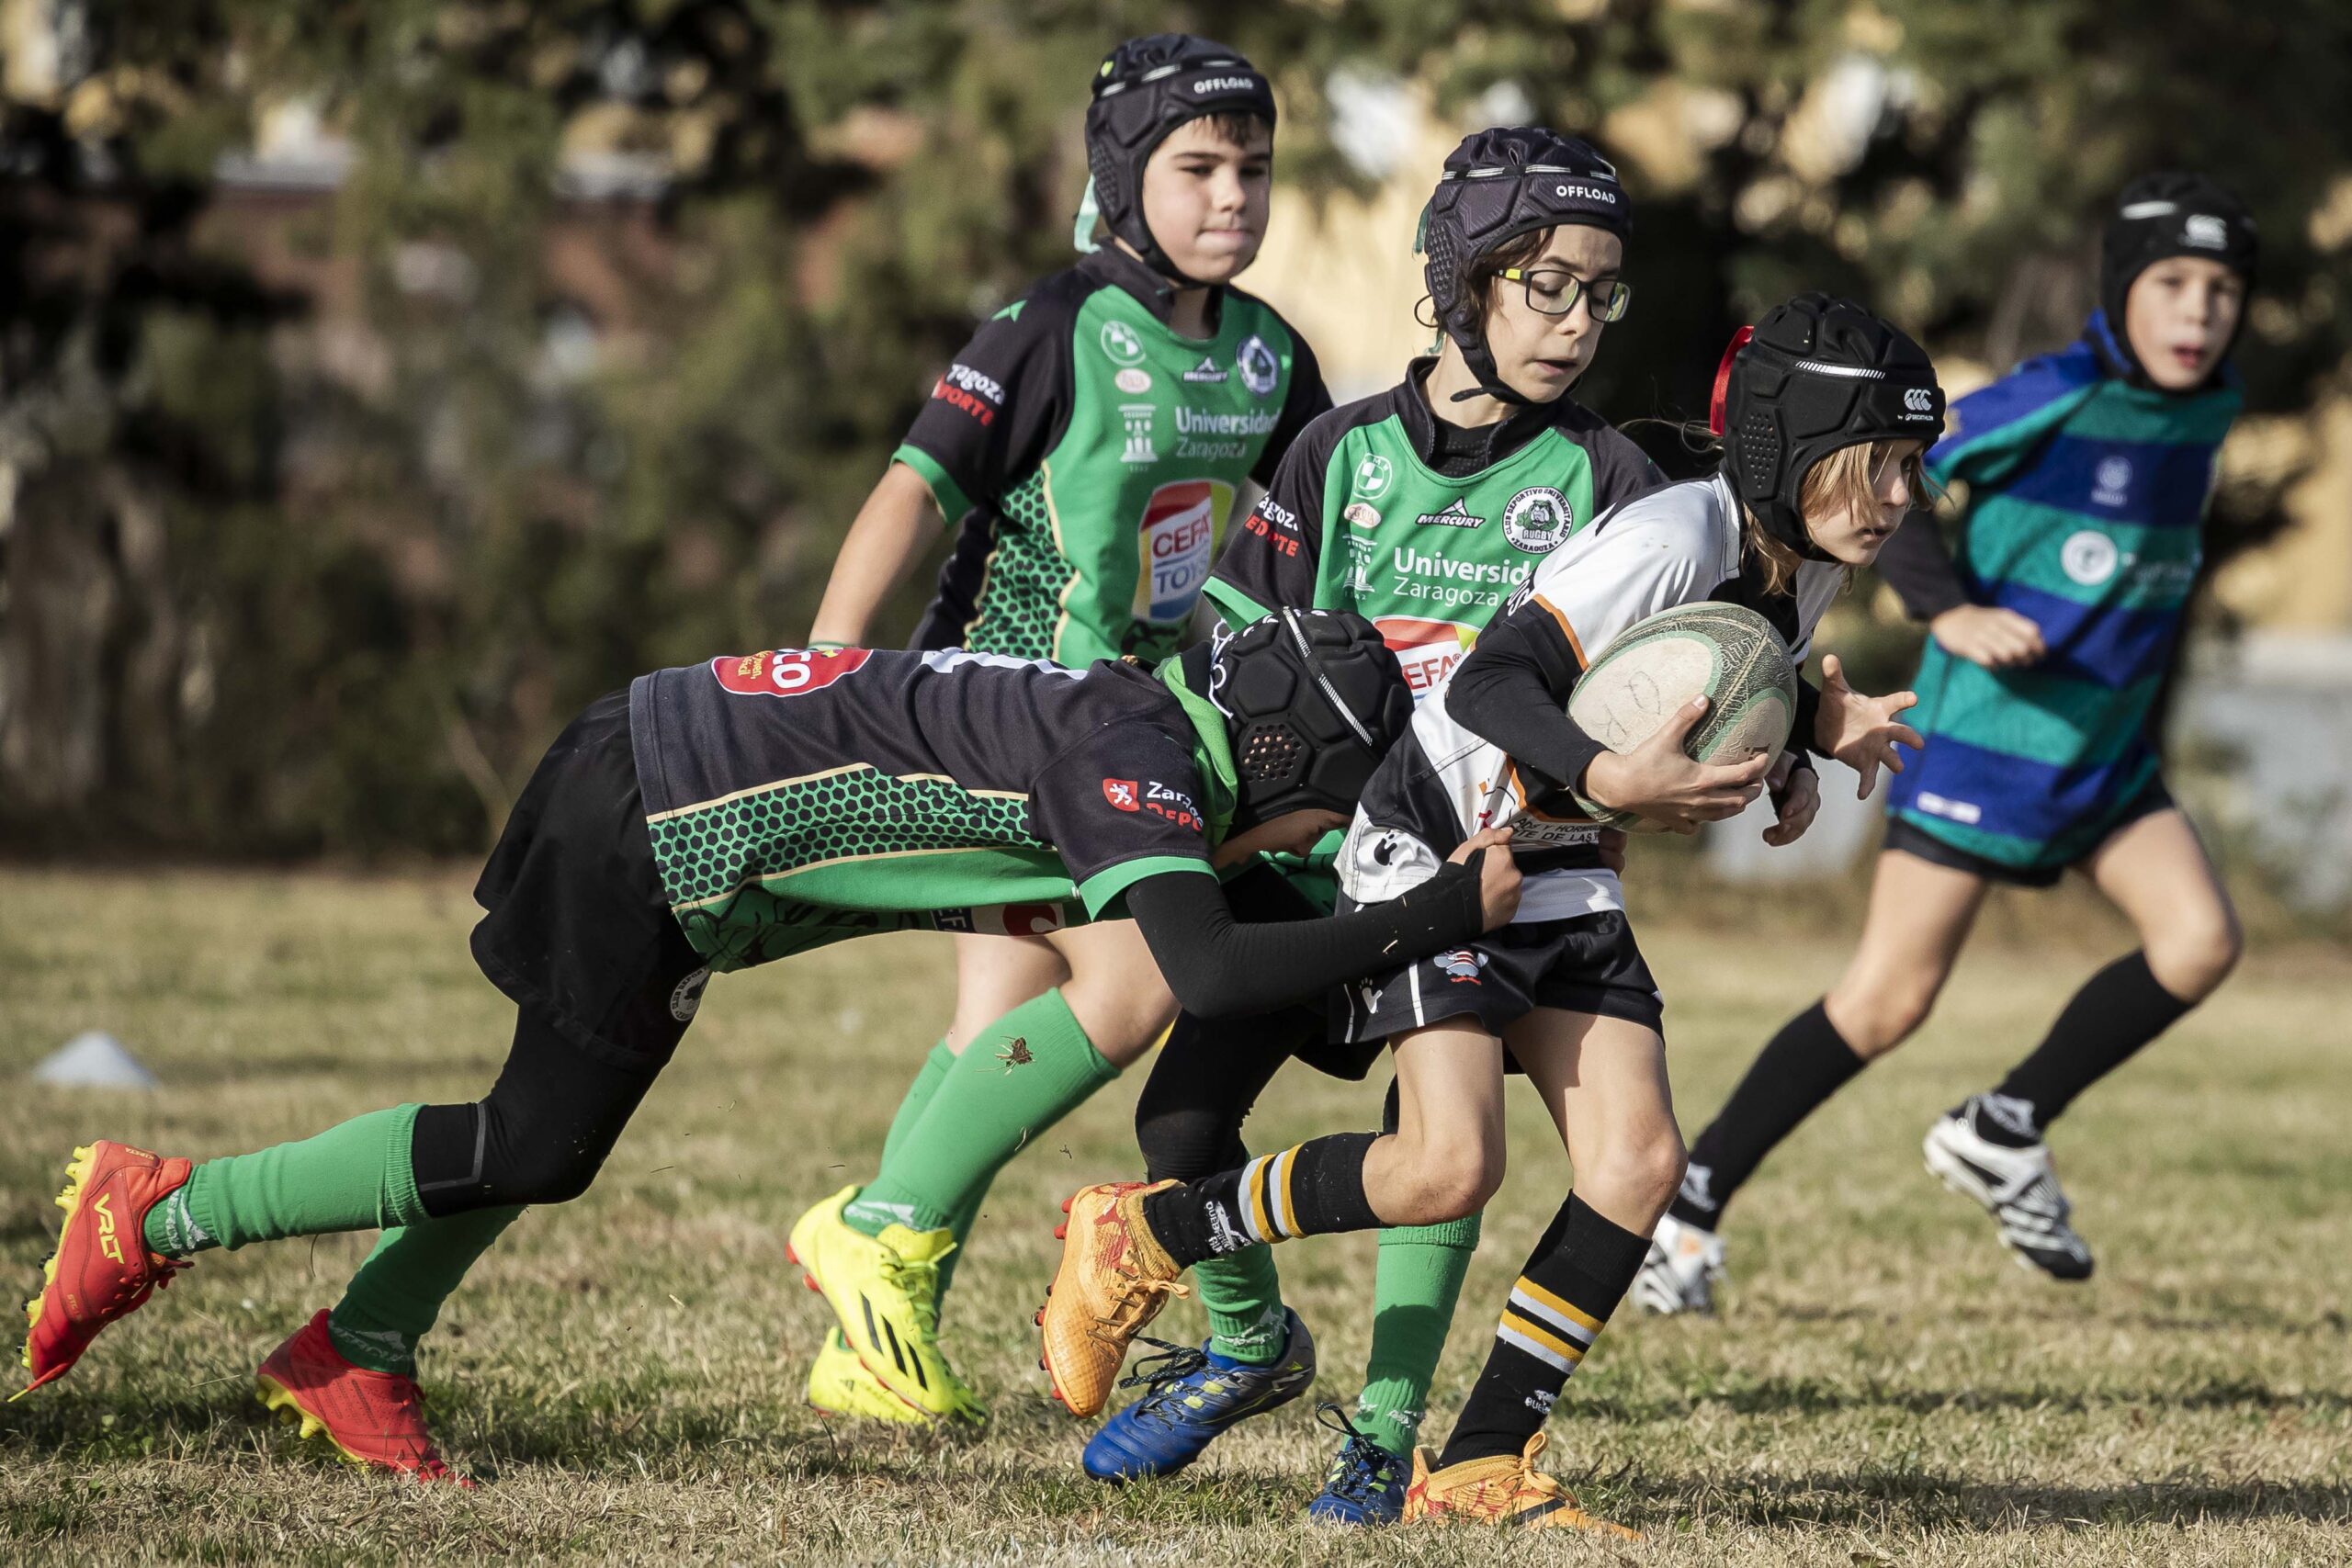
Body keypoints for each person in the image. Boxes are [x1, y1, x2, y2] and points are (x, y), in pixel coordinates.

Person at [21, 611, 1521, 1483]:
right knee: (532, 1141)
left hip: (662, 764)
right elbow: (1199, 960)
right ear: (1286, 761)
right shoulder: (1135, 763)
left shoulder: (1137, 712)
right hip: (658, 813)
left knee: (541, 1136)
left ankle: (357, 1346)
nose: (1306, 848)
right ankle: (155, 1206)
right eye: (1323, 819)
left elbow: (1177, 957)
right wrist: (1434, 911)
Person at [1037, 295, 1941, 1533]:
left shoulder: (1812, 558)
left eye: (1914, 466)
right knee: (1447, 1162)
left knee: (1639, 1164)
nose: (1900, 493)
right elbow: (1494, 675)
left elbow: (1710, 674)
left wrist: (1802, 745)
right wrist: (1616, 773)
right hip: (1444, 846)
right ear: (1790, 447)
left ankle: (1477, 1461)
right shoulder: (1675, 529)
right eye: (1879, 461)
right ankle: (1145, 1229)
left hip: (1565, 864)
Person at [1076, 128, 1665, 1523]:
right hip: (1308, 866)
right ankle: (1241, 1344)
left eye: (1601, 294)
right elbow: (1223, 662)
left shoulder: (1612, 482)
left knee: (1439, 1127)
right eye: (1547, 286)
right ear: (1460, 281)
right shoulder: (1336, 453)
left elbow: (1695, 639)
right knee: (1180, 1115)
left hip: (1484, 879)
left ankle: (1384, 1438)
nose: (1577, 323)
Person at [789, 33, 1333, 1425]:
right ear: (1121, 175)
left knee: (1006, 1012)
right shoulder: (1057, 321)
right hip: (1003, 707)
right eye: (1199, 168)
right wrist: (826, 673)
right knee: (1148, 982)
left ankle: (876, 1312)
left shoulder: (1274, 356)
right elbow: (913, 487)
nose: (1235, 197)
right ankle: (894, 1240)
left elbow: (1303, 555)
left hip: (1149, 736)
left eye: (1255, 169)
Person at [1637, 175, 2256, 1314]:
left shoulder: (2209, 409)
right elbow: (1900, 471)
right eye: (2171, 283)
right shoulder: (2051, 395)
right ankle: (1687, 1206)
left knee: (2200, 941)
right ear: (2121, 291)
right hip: (1988, 747)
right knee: (1882, 1004)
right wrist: (1948, 610)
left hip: (2104, 754)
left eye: (2221, 290)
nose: (2197, 312)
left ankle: (2003, 1127)